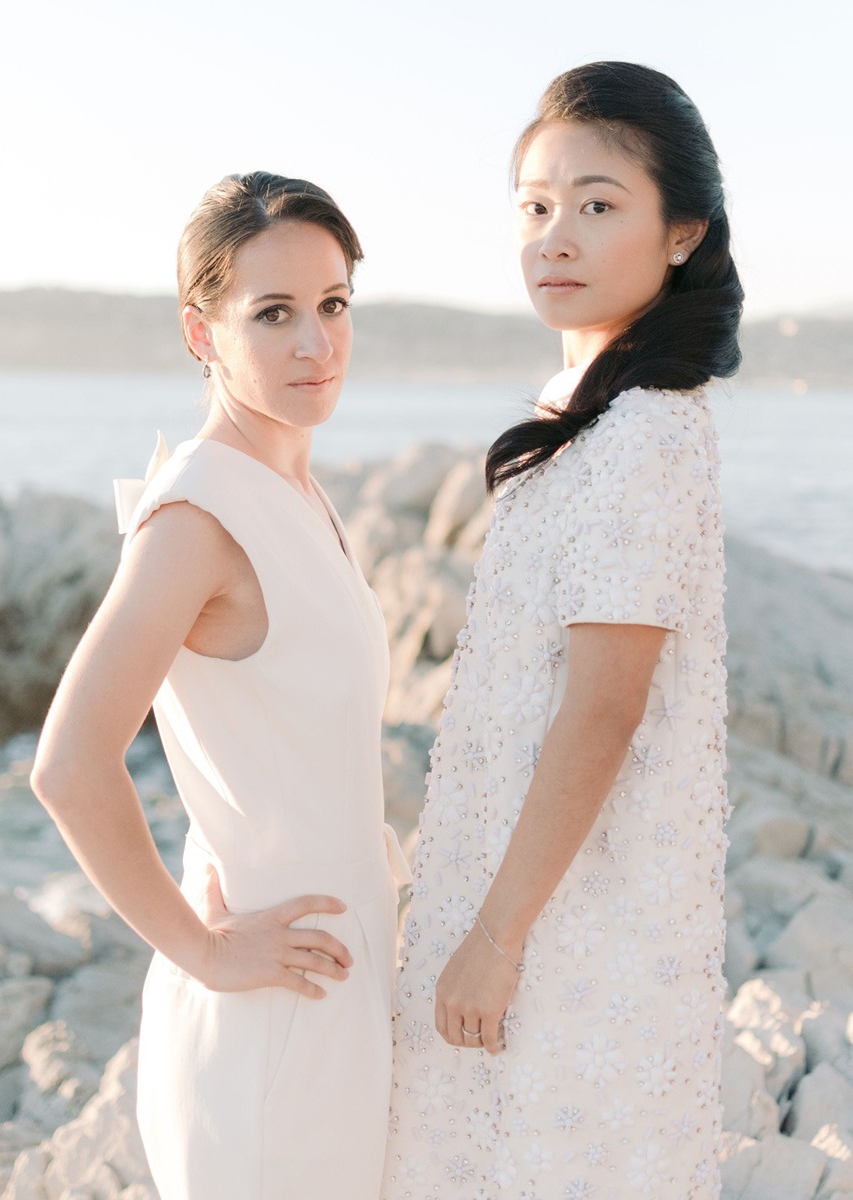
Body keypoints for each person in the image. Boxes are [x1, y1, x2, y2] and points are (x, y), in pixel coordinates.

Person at [382, 61, 742, 1199]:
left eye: (597, 204)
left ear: (681, 232)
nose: (556, 235)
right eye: (536, 206)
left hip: (569, 912)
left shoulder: (645, 434)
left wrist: (497, 935)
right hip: (519, 877)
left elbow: (605, 704)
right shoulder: (578, 407)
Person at [31, 171, 409, 1200]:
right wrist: (201, 948)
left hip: (340, 977)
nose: (314, 344)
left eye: (333, 306)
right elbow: (68, 765)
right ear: (202, 334)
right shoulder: (198, 516)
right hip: (270, 1016)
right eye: (273, 313)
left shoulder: (293, 486)